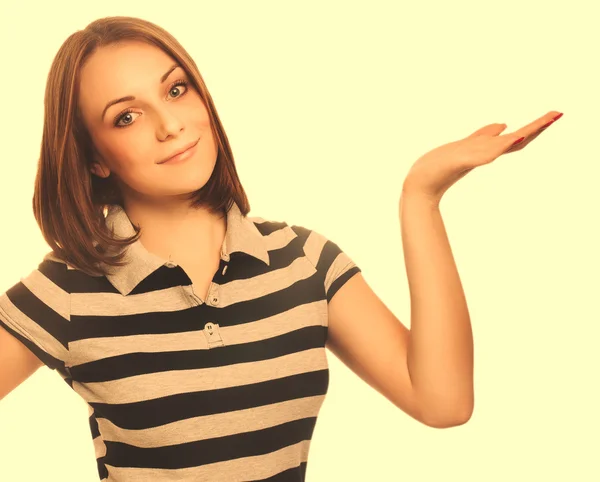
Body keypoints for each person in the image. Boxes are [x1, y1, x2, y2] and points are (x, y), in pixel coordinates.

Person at [0, 15, 562, 482]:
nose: (171, 124)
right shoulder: (65, 293)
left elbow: (442, 402)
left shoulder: (303, 262)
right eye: (126, 116)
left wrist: (421, 196)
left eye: (176, 89)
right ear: (94, 158)